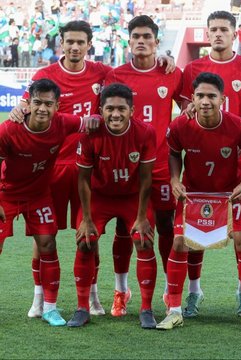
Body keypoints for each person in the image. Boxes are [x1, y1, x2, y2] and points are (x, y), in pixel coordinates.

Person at [10, 20, 112, 318]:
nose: (75, 47)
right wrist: (19, 108)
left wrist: (163, 58)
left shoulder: (101, 73)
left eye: (81, 42)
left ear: (89, 44)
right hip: (50, 168)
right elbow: (27, 108)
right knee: (43, 236)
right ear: (62, 44)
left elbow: (131, 74)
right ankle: (39, 298)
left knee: (89, 235)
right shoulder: (46, 75)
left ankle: (92, 296)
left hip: (87, 169)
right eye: (69, 41)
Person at [157, 72, 241, 332]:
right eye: (200, 96)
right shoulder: (181, 125)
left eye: (211, 96)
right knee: (180, 243)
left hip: (228, 195)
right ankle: (174, 310)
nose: (205, 101)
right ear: (192, 98)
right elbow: (173, 152)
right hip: (193, 193)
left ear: (222, 99)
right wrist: (174, 179)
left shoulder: (237, 125)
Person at [180, 10, 241, 318]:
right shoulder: (193, 69)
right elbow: (187, 113)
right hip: (199, 163)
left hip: (237, 165)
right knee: (194, 236)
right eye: (212, 29)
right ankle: (194, 292)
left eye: (223, 29)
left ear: (234, 32)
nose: (217, 34)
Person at [0, 78, 98, 327]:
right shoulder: (9, 129)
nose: (42, 108)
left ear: (57, 106)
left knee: (48, 243)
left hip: (38, 195)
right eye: (37, 102)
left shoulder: (63, 123)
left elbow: (91, 122)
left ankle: (50, 308)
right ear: (28, 103)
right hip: (6, 194)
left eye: (48, 104)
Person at [104, 15, 183, 317]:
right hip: (125, 167)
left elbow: (188, 106)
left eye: (147, 36)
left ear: (156, 41)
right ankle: (121, 290)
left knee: (165, 226)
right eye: (135, 36)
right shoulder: (115, 75)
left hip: (161, 167)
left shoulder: (172, 73)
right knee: (126, 229)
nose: (141, 41)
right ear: (128, 40)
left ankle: (167, 288)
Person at [67, 83, 158, 329]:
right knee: (85, 241)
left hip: (132, 197)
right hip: (100, 197)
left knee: (143, 238)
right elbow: (83, 180)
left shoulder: (145, 132)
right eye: (109, 109)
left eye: (121, 109)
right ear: (101, 110)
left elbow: (146, 179)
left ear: (132, 110)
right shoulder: (89, 135)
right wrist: (86, 219)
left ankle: (146, 309)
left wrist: (141, 216)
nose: (115, 114)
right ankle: (82, 308)